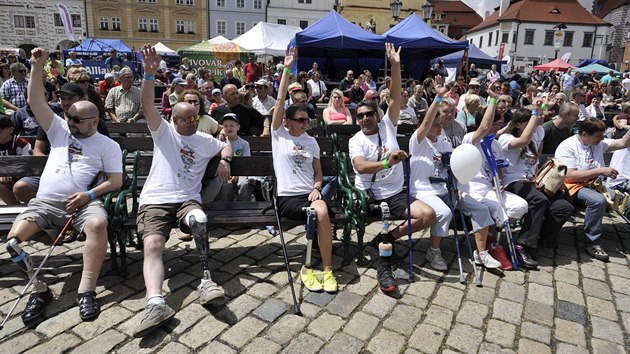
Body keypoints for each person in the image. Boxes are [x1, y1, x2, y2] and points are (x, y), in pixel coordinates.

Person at [6, 47, 123, 327]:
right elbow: (35, 102)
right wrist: (36, 66)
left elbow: (116, 181)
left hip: (83, 202)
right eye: (68, 117)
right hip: (44, 202)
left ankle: (86, 290)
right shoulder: (59, 128)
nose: (69, 122)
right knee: (12, 243)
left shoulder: (108, 145)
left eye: (76, 120)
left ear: (94, 121)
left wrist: (89, 195)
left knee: (97, 225)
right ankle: (39, 289)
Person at [131, 45, 232, 338]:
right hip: (156, 200)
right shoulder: (163, 132)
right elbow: (148, 106)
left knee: (199, 221)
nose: (190, 122)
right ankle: (156, 302)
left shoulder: (204, 139)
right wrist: (149, 73)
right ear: (174, 119)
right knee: (152, 246)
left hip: (188, 201)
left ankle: (206, 279)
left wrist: (225, 158)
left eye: (194, 117)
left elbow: (224, 144)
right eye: (184, 118)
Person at [349, 43, 435, 293]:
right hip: (370, 195)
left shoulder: (388, 126)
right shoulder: (356, 140)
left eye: (370, 114)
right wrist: (388, 161)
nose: (366, 118)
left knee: (428, 215)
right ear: (357, 119)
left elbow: (396, 96)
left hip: (396, 192)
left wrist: (395, 64)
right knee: (385, 215)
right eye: (361, 115)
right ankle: (384, 268)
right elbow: (362, 167)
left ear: (377, 115)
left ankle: (383, 240)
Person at [409, 87, 502, 271]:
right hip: (424, 192)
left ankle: (481, 253)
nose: (439, 126)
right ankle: (434, 251)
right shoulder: (418, 142)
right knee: (444, 212)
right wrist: (437, 98)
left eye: (439, 124)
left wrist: (459, 184)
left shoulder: (444, 143)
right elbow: (427, 121)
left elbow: (455, 167)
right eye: (435, 124)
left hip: (448, 190)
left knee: (481, 208)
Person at [272, 48, 338, 293]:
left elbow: (318, 173)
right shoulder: (279, 136)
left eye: (306, 120)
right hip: (288, 197)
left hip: (310, 193)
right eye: (299, 120)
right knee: (316, 212)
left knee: (320, 211)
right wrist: (287, 70)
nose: (304, 123)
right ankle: (308, 267)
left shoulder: (311, 141)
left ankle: (327, 270)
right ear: (288, 121)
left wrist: (317, 187)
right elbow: (279, 101)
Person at [460, 88, 529, 270]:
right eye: (494, 123)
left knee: (521, 206)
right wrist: (493, 100)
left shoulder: (496, 144)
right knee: (494, 209)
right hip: (471, 191)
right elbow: (483, 127)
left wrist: (499, 183)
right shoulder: (470, 139)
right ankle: (488, 247)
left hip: (490, 189)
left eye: (498, 124)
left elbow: (499, 169)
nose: (496, 127)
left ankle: (491, 238)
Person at [499, 106, 574, 266]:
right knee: (539, 200)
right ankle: (522, 246)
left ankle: (536, 238)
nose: (534, 127)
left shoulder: (533, 142)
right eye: (529, 123)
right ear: (518, 124)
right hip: (513, 182)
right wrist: (534, 113)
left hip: (532, 183)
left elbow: (535, 167)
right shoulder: (505, 138)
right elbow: (522, 140)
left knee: (563, 207)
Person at [555, 118, 630, 261]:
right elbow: (570, 176)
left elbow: (623, 143)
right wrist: (600, 171)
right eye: (598, 136)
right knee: (598, 201)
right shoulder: (568, 146)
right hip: (572, 187)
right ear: (584, 134)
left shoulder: (598, 143)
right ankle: (592, 243)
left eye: (602, 136)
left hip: (595, 185)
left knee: (625, 199)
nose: (602, 139)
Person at [217, 113, 253, 202]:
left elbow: (246, 162)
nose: (229, 128)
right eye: (226, 126)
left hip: (241, 173)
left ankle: (244, 207)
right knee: (226, 185)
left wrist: (237, 174)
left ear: (238, 127)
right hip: (225, 173)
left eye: (232, 126)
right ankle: (227, 209)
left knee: (244, 183)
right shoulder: (220, 142)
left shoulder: (244, 144)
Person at [0, 114, 32, 205]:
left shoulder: (22, 144)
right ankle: (14, 206)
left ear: (11, 130)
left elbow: (27, 165)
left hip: (20, 178)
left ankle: (15, 208)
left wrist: (12, 174)